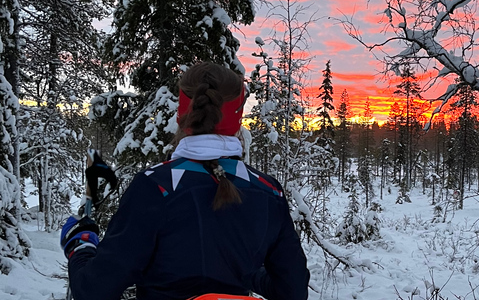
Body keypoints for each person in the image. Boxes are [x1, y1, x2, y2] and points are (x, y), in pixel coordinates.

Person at [61, 62, 310, 300]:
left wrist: (80, 248)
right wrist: (236, 266)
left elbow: (95, 291)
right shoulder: (268, 191)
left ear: (183, 114)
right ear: (238, 117)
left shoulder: (155, 186)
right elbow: (292, 290)